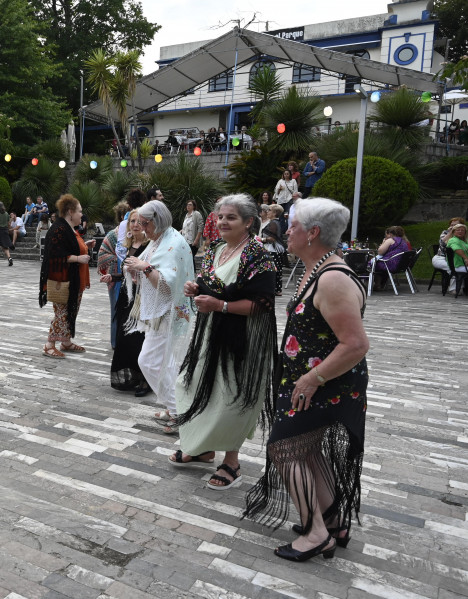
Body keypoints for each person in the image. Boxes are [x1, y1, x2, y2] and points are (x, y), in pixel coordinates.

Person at [245, 198, 370, 563]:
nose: (286, 230)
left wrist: (312, 378)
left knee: (285, 450)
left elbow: (356, 343)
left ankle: (317, 533)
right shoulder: (315, 268)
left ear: (312, 233)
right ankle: (333, 521)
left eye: (293, 225)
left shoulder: (331, 278)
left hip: (322, 383)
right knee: (305, 449)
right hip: (310, 381)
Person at [170, 194, 277, 491]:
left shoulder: (257, 255)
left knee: (232, 396)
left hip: (243, 338)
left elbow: (263, 304)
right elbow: (213, 283)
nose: (222, 222)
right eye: (220, 217)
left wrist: (221, 306)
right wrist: (196, 287)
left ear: (248, 222)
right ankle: (203, 447)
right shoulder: (218, 249)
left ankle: (232, 461)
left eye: (230, 217)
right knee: (192, 385)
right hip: (211, 331)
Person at [123, 201, 195, 409]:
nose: (143, 229)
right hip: (161, 311)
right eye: (139, 223)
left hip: (168, 311)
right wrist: (137, 270)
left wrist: (143, 267)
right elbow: (150, 274)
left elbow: (166, 286)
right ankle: (175, 406)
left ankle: (177, 410)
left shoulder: (172, 243)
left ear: (158, 220)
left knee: (149, 362)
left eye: (145, 224)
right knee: (165, 364)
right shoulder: (160, 239)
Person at [39, 194, 94, 358]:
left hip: (74, 280)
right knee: (62, 314)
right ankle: (49, 344)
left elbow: (73, 248)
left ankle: (66, 341)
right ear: (70, 212)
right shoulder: (58, 229)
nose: (81, 215)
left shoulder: (69, 229)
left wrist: (85, 246)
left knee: (70, 311)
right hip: (63, 280)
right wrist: (78, 258)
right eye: (79, 211)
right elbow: (55, 255)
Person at [100, 209, 149, 389]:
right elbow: (125, 273)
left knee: (139, 338)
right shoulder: (129, 245)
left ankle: (145, 379)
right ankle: (134, 375)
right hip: (126, 297)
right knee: (125, 338)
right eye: (132, 221)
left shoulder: (150, 246)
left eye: (139, 221)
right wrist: (112, 277)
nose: (135, 225)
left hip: (141, 298)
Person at [97, 201, 131, 350]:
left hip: (127, 276)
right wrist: (116, 262)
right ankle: (115, 341)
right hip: (115, 278)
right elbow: (102, 254)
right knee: (116, 309)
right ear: (123, 216)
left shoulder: (131, 235)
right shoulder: (113, 234)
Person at [433, 217, 466, 292]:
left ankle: (462, 287)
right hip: (440, 258)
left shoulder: (463, 235)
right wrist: (451, 232)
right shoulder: (445, 233)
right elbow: (443, 243)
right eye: (452, 225)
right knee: (454, 267)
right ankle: (454, 289)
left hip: (456, 258)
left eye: (455, 225)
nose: (453, 226)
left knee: (459, 265)